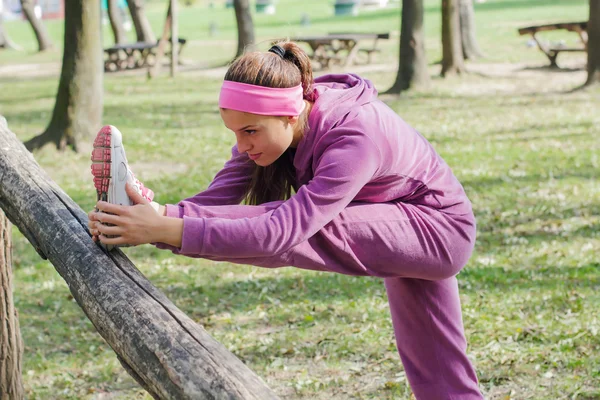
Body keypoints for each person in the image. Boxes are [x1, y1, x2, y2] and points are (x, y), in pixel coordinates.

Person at [88, 41, 483, 399]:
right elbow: (218, 197)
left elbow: (282, 232)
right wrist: (150, 216)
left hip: (438, 230)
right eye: (234, 132)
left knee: (309, 229)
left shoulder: (355, 137)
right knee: (440, 377)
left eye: (249, 132)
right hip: (400, 222)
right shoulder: (278, 120)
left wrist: (164, 225)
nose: (241, 146)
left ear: (290, 117)